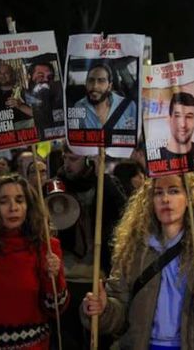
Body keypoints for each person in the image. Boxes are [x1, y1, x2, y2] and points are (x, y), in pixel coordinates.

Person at [81, 173, 194, 349]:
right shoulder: (133, 251)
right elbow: (120, 311)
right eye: (158, 193)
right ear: (150, 201)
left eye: (174, 191)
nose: (165, 199)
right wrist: (103, 309)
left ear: (189, 198)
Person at [0, 176, 69, 349]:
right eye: (3, 201)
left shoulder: (46, 246)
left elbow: (56, 309)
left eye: (19, 200)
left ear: (28, 206)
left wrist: (52, 275)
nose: (13, 208)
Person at [57, 147, 126, 349]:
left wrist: (102, 178)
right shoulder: (58, 185)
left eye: (74, 159)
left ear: (88, 160)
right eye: (65, 158)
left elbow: (125, 213)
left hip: (98, 274)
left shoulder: (106, 183)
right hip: (68, 276)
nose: (67, 164)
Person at [73, 62, 137, 129]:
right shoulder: (78, 106)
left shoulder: (128, 106)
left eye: (101, 81)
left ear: (109, 86)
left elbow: (137, 136)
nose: (95, 86)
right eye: (91, 80)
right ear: (86, 84)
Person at [159, 92, 194, 165]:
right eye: (177, 116)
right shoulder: (156, 158)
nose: (183, 124)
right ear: (169, 119)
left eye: (189, 117)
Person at [0, 61, 34, 129]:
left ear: (12, 75)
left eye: (6, 73)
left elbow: (38, 114)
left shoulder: (21, 91)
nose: (3, 75)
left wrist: (20, 105)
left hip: (19, 128)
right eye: (0, 73)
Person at [24, 59, 64, 136]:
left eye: (50, 76)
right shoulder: (27, 94)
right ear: (30, 77)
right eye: (40, 76)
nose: (46, 79)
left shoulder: (57, 91)